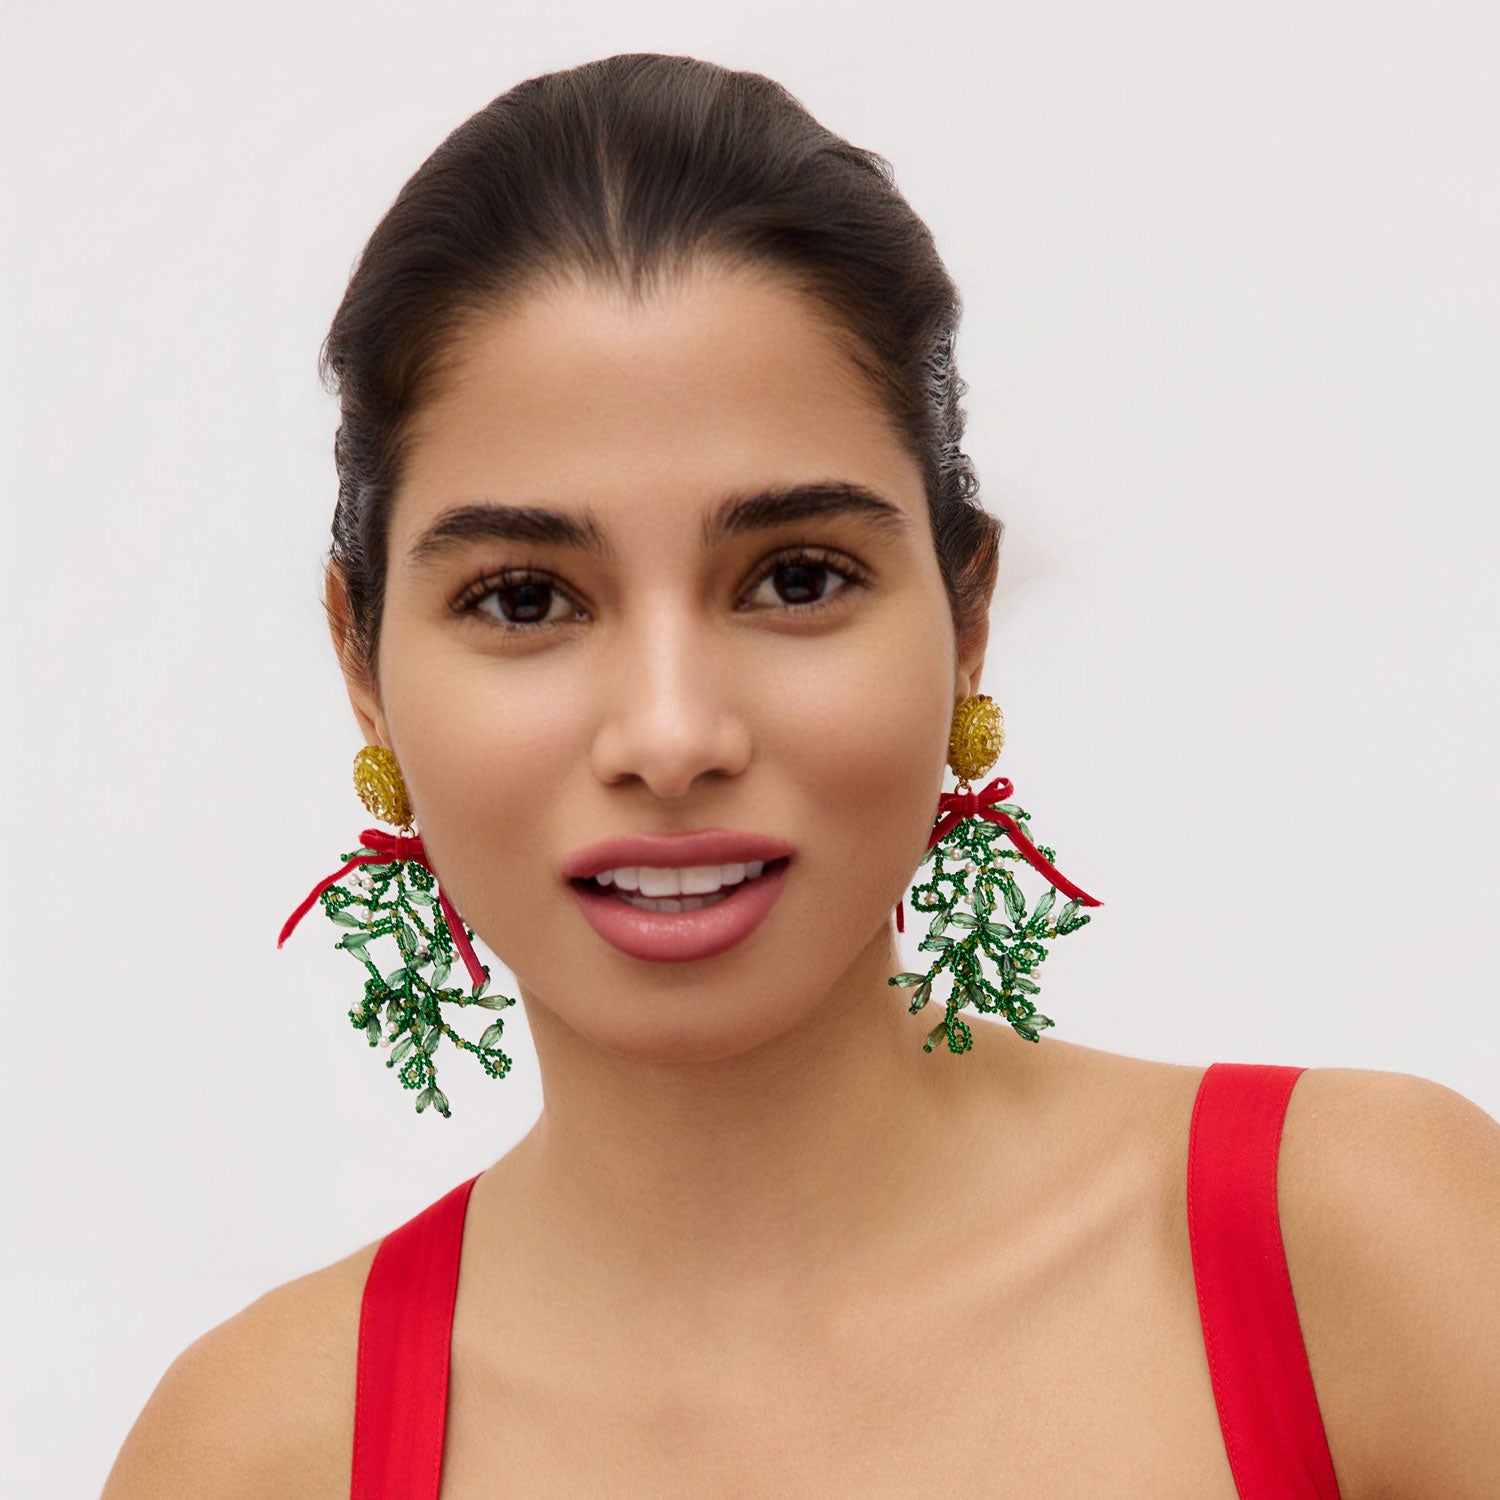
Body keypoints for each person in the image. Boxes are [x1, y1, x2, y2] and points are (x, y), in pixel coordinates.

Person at [102, 52, 1499, 1499]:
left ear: (966, 621)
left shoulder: (1360, 1255)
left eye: (795, 578)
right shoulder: (261, 1450)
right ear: (364, 661)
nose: (670, 732)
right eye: (526, 599)